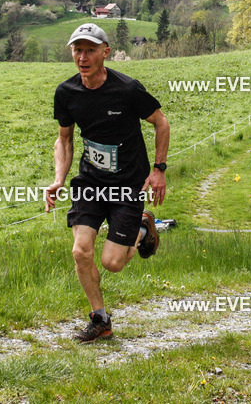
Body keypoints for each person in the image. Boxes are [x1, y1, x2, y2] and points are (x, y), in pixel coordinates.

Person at [46, 22, 170, 343]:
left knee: (112, 263)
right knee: (80, 251)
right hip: (90, 182)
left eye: (90, 50)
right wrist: (59, 179)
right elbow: (65, 140)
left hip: (128, 184)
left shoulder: (127, 89)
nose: (83, 57)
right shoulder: (67, 92)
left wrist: (158, 170)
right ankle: (100, 319)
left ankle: (143, 228)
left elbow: (161, 123)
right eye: (77, 50)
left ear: (105, 52)